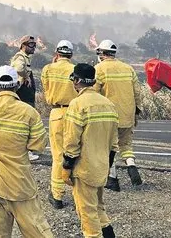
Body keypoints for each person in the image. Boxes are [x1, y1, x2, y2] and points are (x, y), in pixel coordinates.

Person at [0, 65, 54, 238]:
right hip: (20, 186)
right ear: (16, 86)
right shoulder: (29, 113)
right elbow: (37, 145)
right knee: (38, 232)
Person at [61, 63, 119, 238]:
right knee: (99, 207)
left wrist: (66, 167)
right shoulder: (109, 104)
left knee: (87, 213)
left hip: (84, 169)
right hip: (102, 167)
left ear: (77, 81)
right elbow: (113, 143)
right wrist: (107, 166)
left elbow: (71, 142)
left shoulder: (77, 105)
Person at [94, 40, 144, 190]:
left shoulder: (99, 69)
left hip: (108, 117)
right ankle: (131, 166)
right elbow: (137, 93)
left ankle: (112, 179)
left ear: (102, 53)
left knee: (108, 148)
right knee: (126, 144)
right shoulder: (128, 69)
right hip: (127, 114)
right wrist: (136, 111)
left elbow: (94, 93)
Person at [40, 40, 79, 209]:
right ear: (71, 54)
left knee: (58, 156)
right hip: (76, 113)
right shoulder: (76, 69)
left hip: (56, 113)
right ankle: (79, 195)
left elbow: (46, 90)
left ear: (57, 53)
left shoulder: (48, 69)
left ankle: (57, 196)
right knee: (75, 154)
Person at [11, 35, 39, 161]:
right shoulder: (20, 57)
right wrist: (26, 76)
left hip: (26, 93)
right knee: (25, 122)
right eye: (31, 45)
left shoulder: (25, 58)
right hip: (23, 93)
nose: (34, 47)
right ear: (24, 45)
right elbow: (19, 68)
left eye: (35, 45)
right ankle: (24, 151)